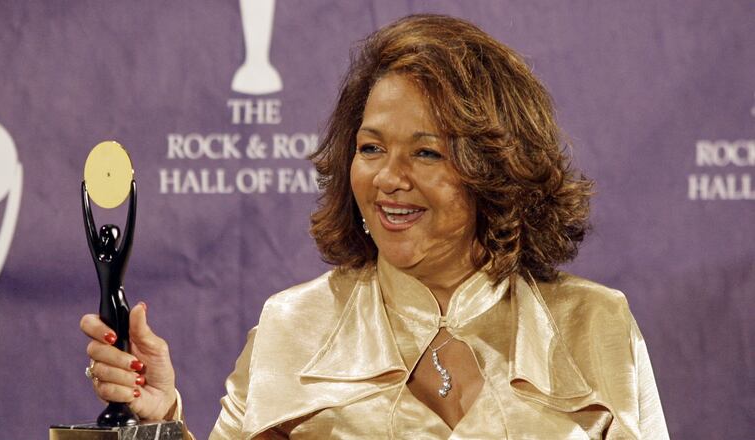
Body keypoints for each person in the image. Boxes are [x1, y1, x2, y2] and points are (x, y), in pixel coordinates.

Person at [80, 14, 669, 439]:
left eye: (426, 153)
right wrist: (161, 421)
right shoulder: (293, 325)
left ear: (494, 170)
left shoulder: (596, 324)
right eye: (370, 148)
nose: (388, 178)